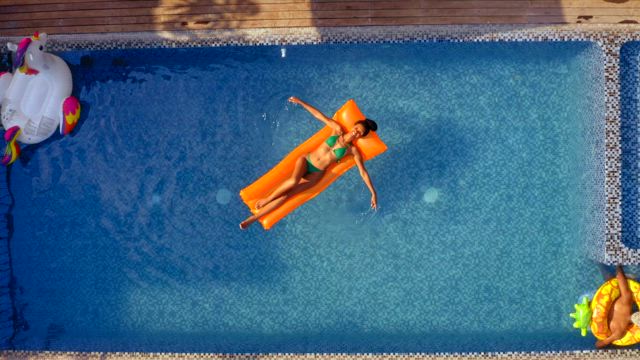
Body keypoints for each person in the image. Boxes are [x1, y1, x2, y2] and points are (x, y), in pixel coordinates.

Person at [240, 97, 379, 229]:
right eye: (357, 129)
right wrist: (300, 102)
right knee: (293, 181)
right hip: (306, 161)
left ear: (361, 136)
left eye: (359, 134)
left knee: (287, 196)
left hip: (316, 174)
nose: (356, 133)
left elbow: (363, 172)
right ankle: (267, 200)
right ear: (354, 125)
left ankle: (253, 219)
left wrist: (373, 192)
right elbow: (319, 115)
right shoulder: (337, 129)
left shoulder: (352, 150)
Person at [595, 265, 640, 348]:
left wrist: (619, 267)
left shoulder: (627, 300)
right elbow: (599, 344)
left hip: (602, 303)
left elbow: (619, 277)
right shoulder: (621, 332)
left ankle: (601, 265)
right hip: (596, 315)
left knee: (610, 280)